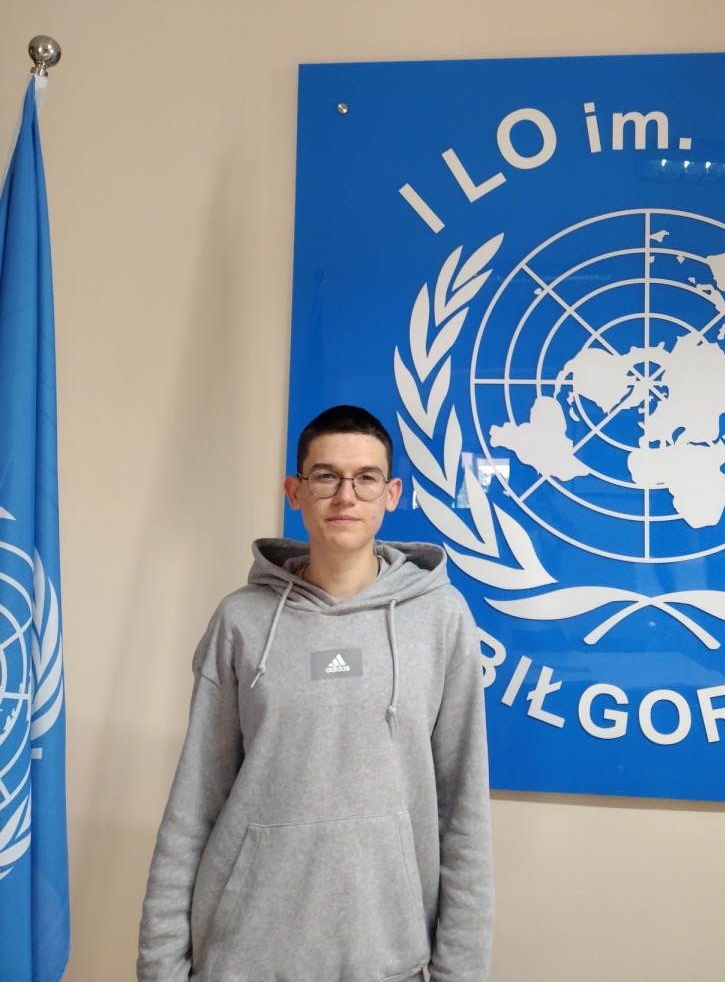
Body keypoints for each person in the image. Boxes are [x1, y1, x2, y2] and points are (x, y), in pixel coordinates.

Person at [137, 405, 493, 982]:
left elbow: (464, 813)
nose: (345, 496)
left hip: (388, 958)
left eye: (365, 478)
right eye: (326, 476)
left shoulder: (442, 619)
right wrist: (160, 965)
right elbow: (194, 803)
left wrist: (462, 971)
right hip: (241, 957)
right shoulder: (241, 620)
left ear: (391, 493)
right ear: (295, 491)